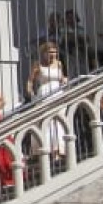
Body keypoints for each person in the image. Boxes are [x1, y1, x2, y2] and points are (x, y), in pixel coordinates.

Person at [27, 41, 71, 170]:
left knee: (59, 121)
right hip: (45, 93)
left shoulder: (59, 64)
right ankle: (46, 150)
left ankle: (58, 151)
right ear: (44, 53)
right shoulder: (38, 65)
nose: (53, 55)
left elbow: (61, 78)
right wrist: (31, 94)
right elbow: (30, 81)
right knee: (47, 122)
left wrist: (64, 80)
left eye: (55, 52)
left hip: (58, 93)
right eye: (50, 52)